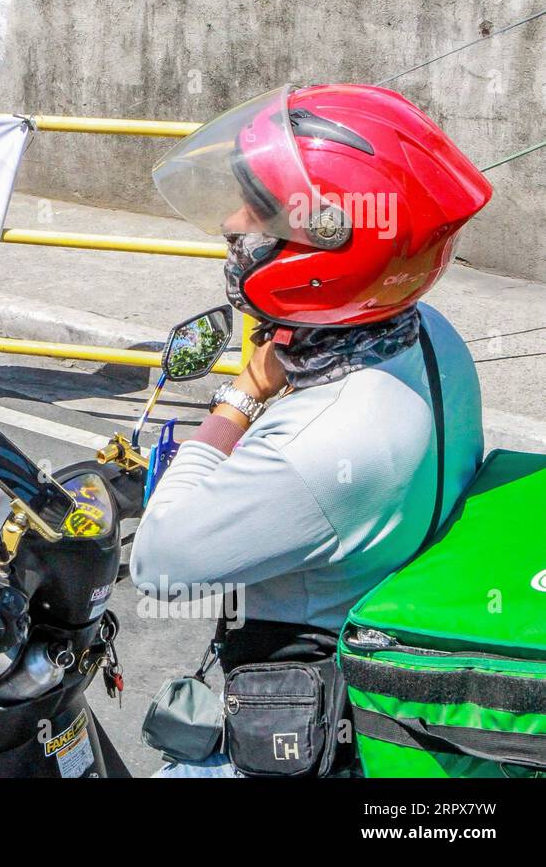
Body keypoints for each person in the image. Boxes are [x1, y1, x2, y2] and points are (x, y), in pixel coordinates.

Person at [130, 84, 492, 776]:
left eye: (260, 209)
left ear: (334, 243)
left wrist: (239, 397)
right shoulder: (427, 335)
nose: (235, 223)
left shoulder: (322, 445)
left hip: (306, 710)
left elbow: (159, 565)